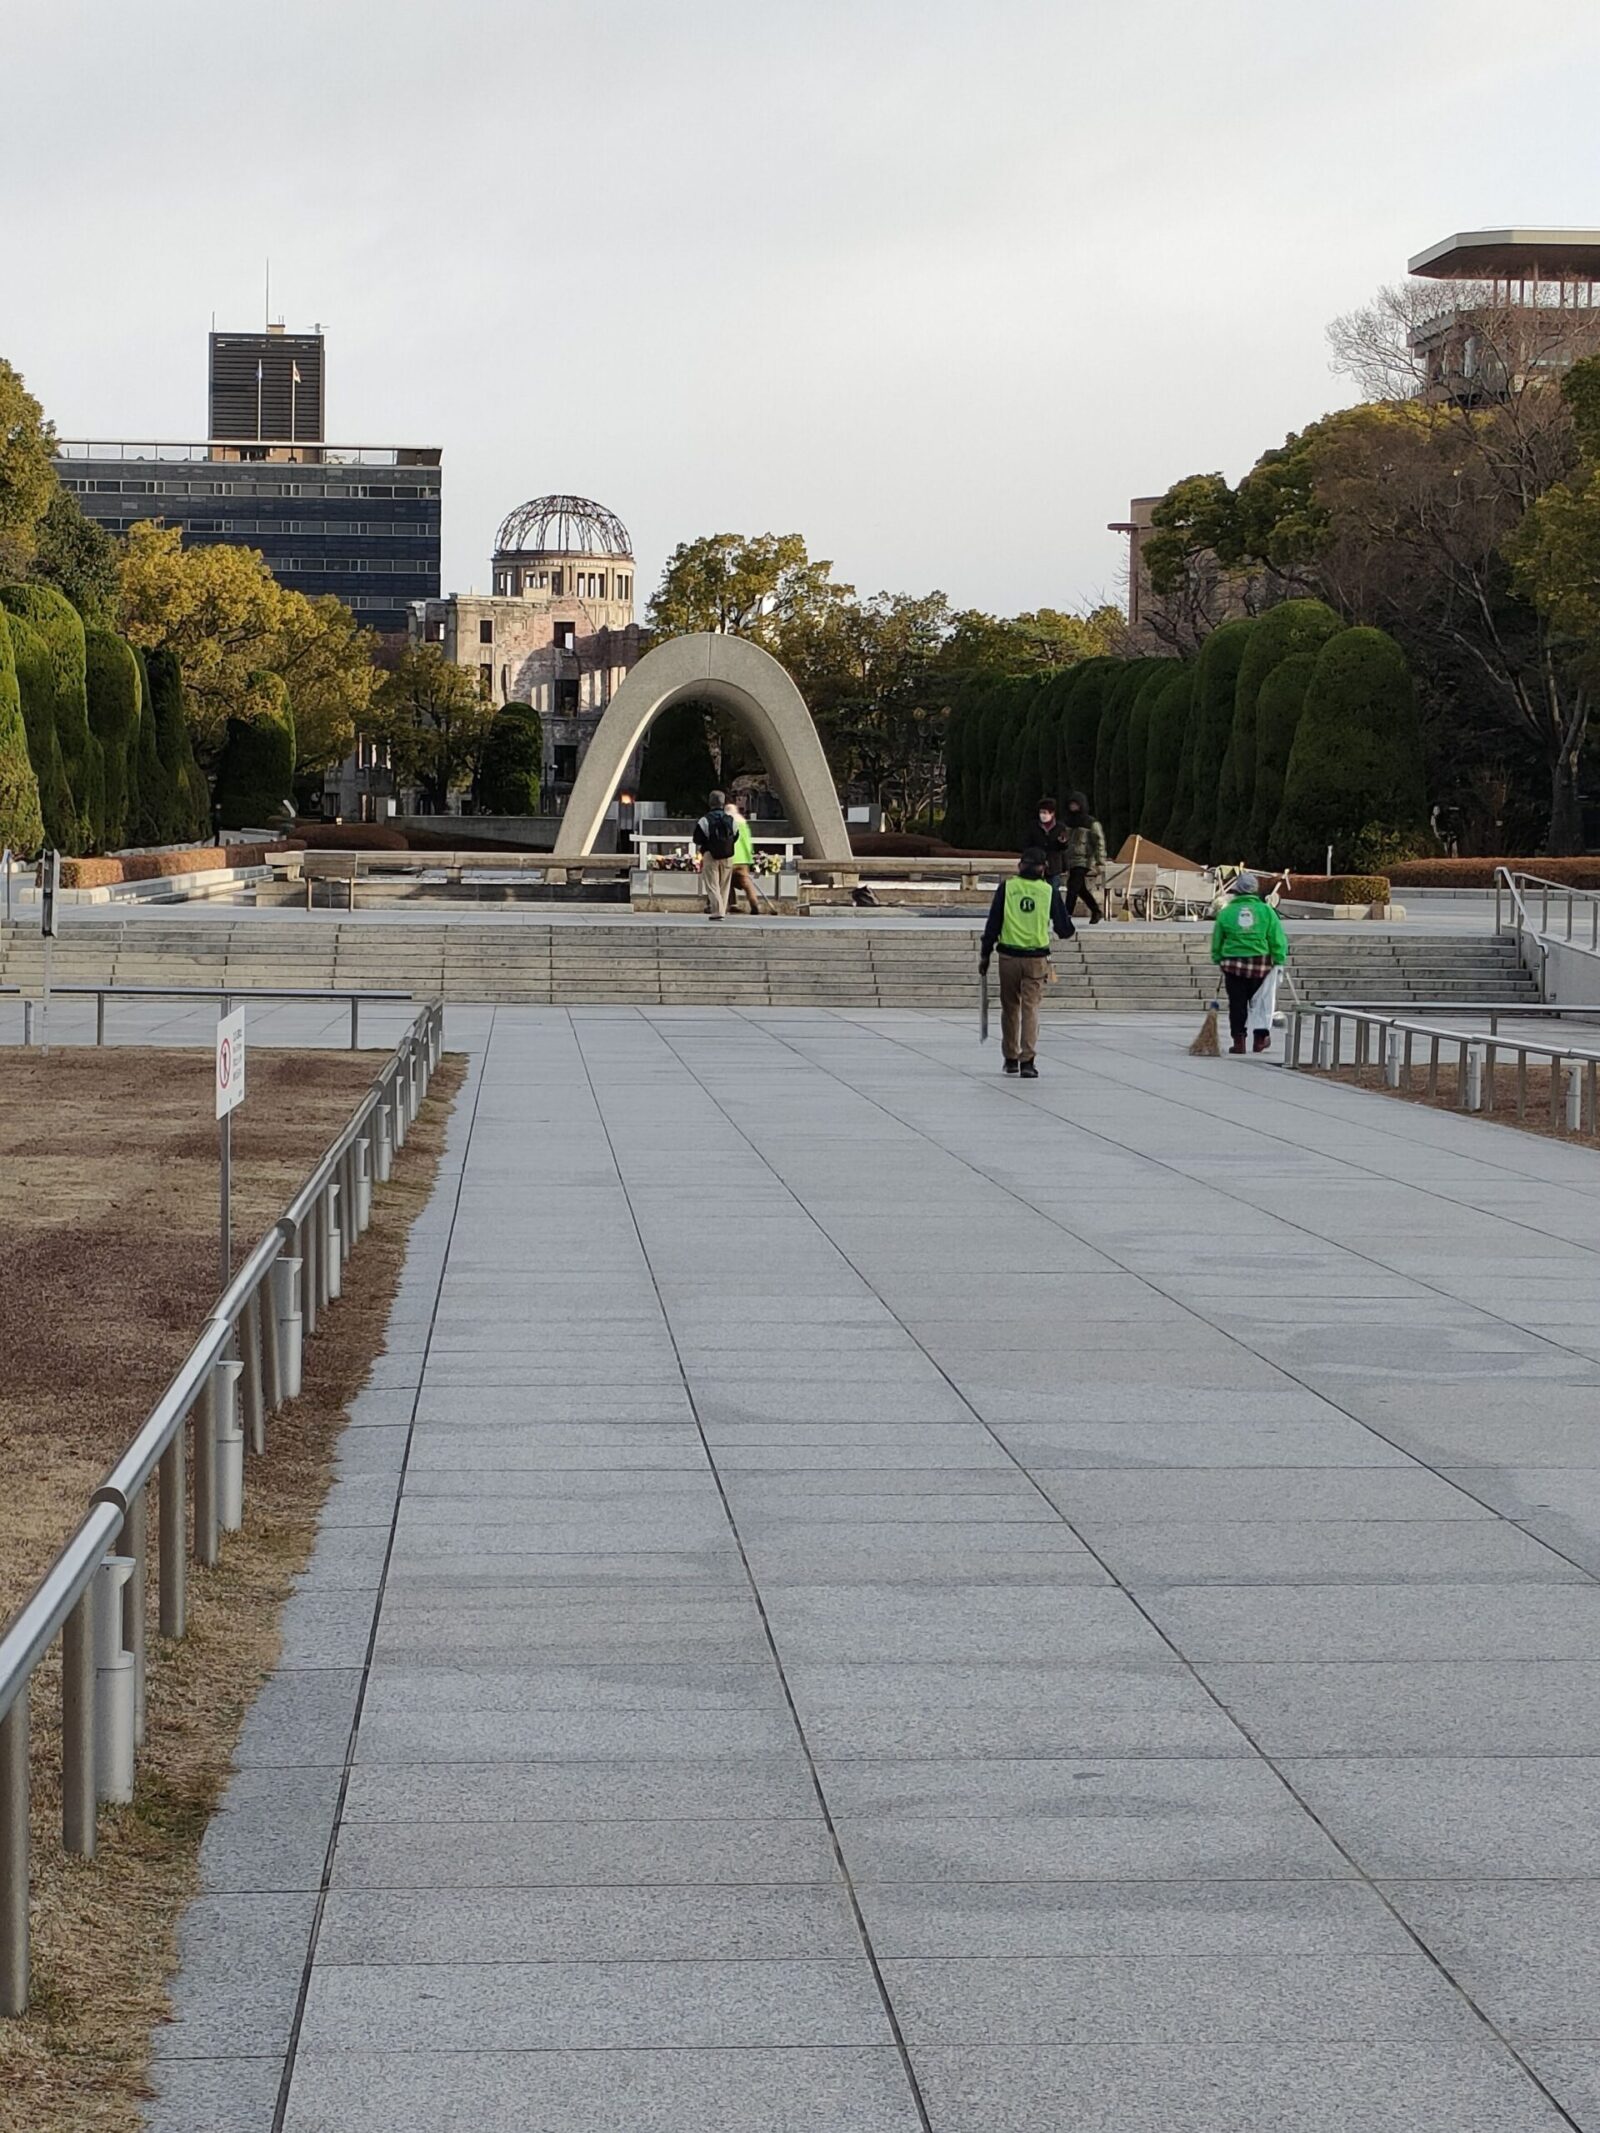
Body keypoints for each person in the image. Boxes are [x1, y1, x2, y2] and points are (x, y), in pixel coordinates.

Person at [979, 847, 1076, 1078]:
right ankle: (1028, 1061)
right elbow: (1064, 929)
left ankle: (1010, 1057)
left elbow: (993, 924)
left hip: (1008, 957)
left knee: (1010, 1007)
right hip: (1036, 959)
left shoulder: (1007, 888)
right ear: (1043, 868)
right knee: (1030, 1008)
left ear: (1020, 866)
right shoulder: (1048, 891)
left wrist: (985, 954)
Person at [1209, 870, 1289, 1054]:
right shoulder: (1266, 911)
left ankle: (1239, 1041)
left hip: (1233, 964)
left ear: (1237, 890)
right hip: (1260, 965)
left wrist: (1217, 957)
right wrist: (1279, 958)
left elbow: (1218, 939)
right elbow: (1276, 938)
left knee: (1237, 1004)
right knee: (1262, 1003)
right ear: (1255, 890)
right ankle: (1260, 1040)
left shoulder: (1226, 912)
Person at [1059, 792, 1106, 923]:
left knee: (1072, 886)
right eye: (1071, 804)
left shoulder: (1091, 823)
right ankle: (1096, 911)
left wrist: (1100, 860)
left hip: (1084, 860)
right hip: (1070, 859)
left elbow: (1099, 841)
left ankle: (1066, 914)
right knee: (1080, 888)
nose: (1073, 807)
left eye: (1076, 804)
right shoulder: (1066, 822)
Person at [692, 789, 738, 920]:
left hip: (710, 854)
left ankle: (718, 911)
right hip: (728, 855)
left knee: (712, 884)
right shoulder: (730, 820)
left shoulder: (705, 820)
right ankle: (722, 910)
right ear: (723, 803)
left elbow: (697, 838)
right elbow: (736, 836)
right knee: (725, 884)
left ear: (710, 803)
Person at [727, 798, 765, 914]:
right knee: (746, 883)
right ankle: (754, 904)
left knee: (724, 881)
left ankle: (730, 904)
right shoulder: (743, 823)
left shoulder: (727, 823)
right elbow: (748, 842)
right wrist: (749, 856)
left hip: (729, 856)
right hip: (743, 858)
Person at [1024, 797, 1069, 886]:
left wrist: (1062, 842)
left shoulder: (1060, 827)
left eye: (1045, 812)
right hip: (1036, 864)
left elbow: (1064, 848)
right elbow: (1027, 844)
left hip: (1054, 866)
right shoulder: (1033, 826)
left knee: (1053, 890)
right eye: (1041, 812)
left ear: (1052, 813)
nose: (1042, 815)